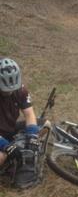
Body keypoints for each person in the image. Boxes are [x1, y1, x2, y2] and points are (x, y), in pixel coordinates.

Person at [0, 57, 41, 188]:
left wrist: (33, 136)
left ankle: (27, 158)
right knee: (1, 156)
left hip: (10, 129)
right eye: (5, 90)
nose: (10, 92)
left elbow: (29, 114)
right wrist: (6, 146)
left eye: (12, 88)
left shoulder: (21, 90)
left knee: (45, 125)